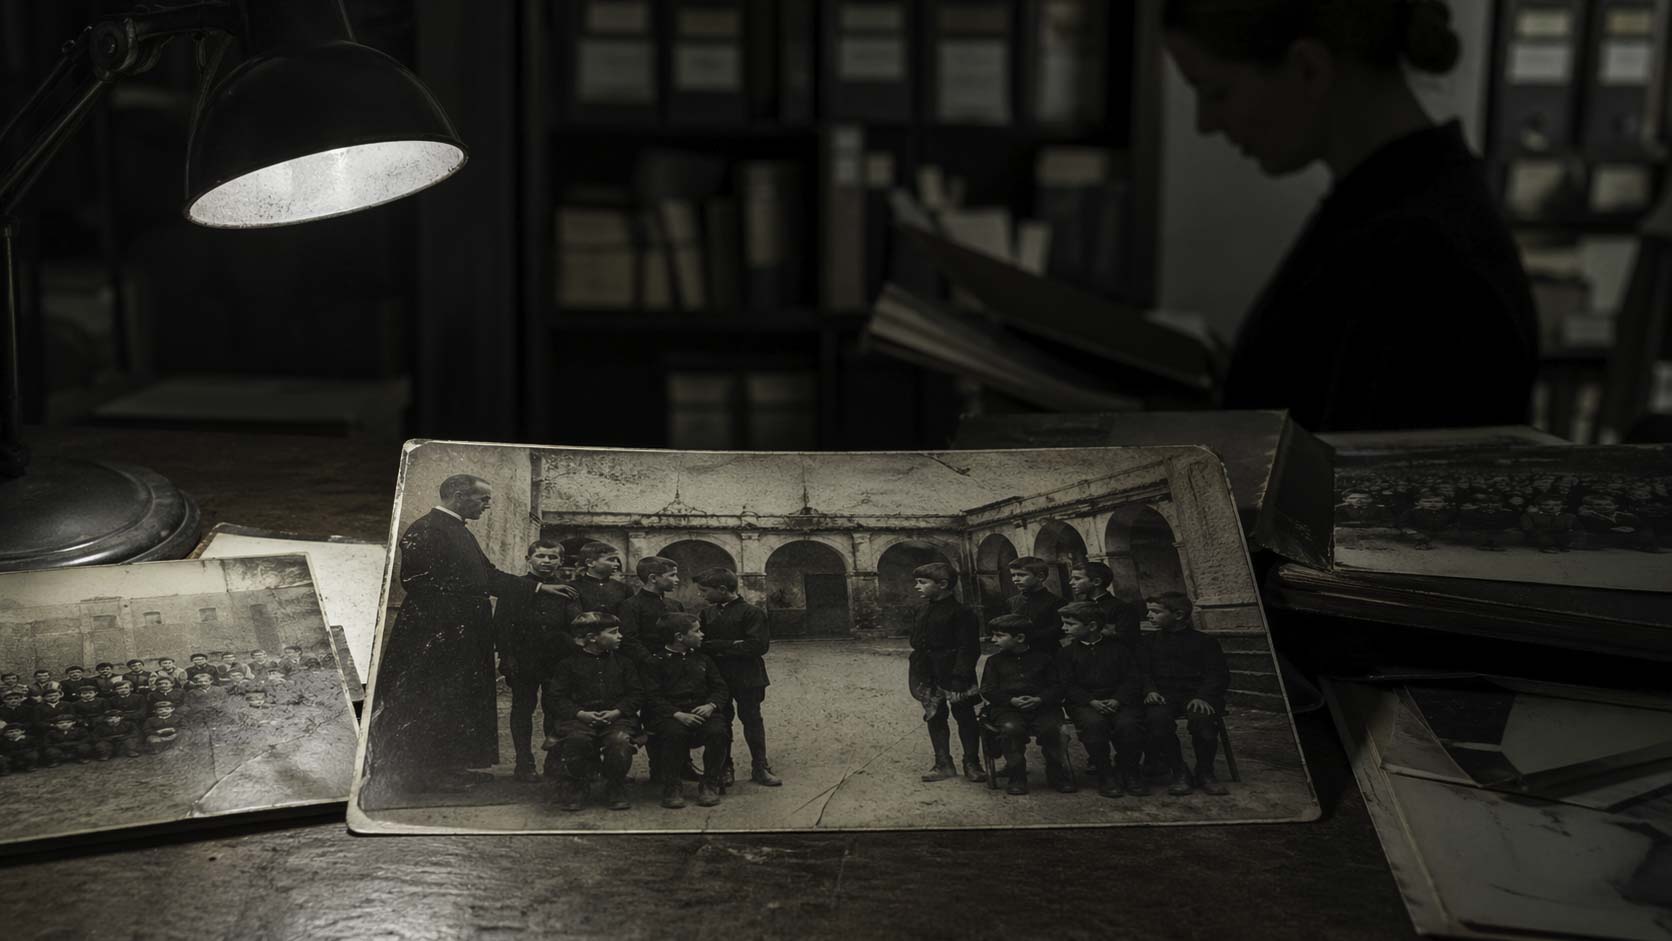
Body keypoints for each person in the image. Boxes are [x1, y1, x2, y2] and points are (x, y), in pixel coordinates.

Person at [1164, 0, 1538, 432]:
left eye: (1216, 93)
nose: (1205, 123)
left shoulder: (1419, 254)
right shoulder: (1389, 206)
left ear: (1309, 69)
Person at [362, 473, 577, 801]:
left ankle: (450, 765)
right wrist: (463, 609)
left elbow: (487, 575)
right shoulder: (427, 529)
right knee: (434, 698)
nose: (488, 505)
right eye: (483, 499)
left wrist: (537, 587)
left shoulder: (458, 530)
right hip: (435, 633)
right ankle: (429, 773)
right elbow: (417, 582)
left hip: (461, 631)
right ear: (460, 496)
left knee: (458, 699)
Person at [494, 538, 583, 783]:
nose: (546, 562)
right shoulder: (515, 587)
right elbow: (502, 625)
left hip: (558, 661)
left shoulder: (568, 591)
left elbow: (577, 625)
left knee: (555, 710)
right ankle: (524, 762)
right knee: (523, 709)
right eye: (541, 556)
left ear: (561, 561)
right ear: (528, 559)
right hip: (524, 660)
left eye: (552, 557)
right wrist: (506, 656)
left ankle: (554, 760)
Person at [694, 567, 782, 788]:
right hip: (718, 679)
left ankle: (760, 767)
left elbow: (757, 646)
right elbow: (701, 644)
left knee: (752, 720)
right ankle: (725, 766)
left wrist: (718, 646)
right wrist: (734, 644)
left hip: (748, 677)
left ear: (722, 589)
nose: (701, 595)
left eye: (704, 591)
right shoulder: (707, 614)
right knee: (721, 722)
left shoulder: (752, 612)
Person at [546, 613, 642, 812]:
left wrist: (617, 711)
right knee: (576, 741)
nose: (620, 636)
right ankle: (577, 785)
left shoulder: (624, 663)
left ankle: (615, 785)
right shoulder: (567, 665)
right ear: (591, 638)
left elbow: (636, 694)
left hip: (616, 719)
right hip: (578, 720)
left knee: (620, 741)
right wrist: (579, 713)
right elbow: (556, 697)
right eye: (613, 633)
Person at [1141, 592, 1231, 796]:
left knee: (1204, 725)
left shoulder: (1205, 641)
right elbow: (1142, 672)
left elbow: (1218, 674)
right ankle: (1179, 771)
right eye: (1148, 611)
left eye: (1155, 612)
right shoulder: (1148, 642)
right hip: (1164, 696)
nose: (1148, 616)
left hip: (1198, 695)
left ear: (1179, 615)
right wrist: (1150, 690)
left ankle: (1205, 772)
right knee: (1157, 722)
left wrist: (1204, 696)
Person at [1056, 602, 1148, 798]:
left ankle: (1129, 771)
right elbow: (1067, 684)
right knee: (1094, 724)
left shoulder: (1119, 649)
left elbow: (1132, 678)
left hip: (1119, 701)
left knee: (1129, 724)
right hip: (1084, 703)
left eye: (1069, 624)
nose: (1064, 628)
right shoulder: (1066, 653)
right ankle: (1105, 774)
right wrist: (1090, 701)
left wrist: (1118, 699)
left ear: (1091, 626)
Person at [641, 613, 729, 809]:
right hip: (670, 715)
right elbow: (652, 696)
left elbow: (720, 687)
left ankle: (709, 783)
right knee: (674, 733)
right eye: (697, 631)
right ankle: (672, 786)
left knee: (718, 732)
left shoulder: (704, 659)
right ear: (679, 637)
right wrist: (677, 714)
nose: (702, 634)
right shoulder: (654, 662)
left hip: (703, 712)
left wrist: (711, 705)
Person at [908, 562, 984, 784]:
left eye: (922, 582)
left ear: (942, 584)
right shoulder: (921, 610)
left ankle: (972, 763)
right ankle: (943, 763)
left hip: (954, 673)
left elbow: (969, 648)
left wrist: (960, 678)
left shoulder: (962, 613)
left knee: (965, 716)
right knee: (935, 716)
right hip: (927, 673)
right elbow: (916, 641)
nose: (917, 587)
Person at [979, 615, 1071, 796]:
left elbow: (1057, 686)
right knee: (1010, 729)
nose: (993, 640)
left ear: (1020, 638)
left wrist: (1040, 699)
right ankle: (1017, 776)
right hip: (1007, 709)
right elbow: (988, 689)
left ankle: (1056, 773)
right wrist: (1010, 700)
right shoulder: (994, 662)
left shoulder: (1044, 659)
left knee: (1052, 728)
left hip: (1042, 707)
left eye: (999, 635)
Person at [617, 556, 684, 665]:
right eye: (672, 575)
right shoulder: (631, 605)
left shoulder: (675, 605)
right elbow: (629, 640)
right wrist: (651, 660)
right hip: (648, 666)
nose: (677, 580)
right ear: (653, 578)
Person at [1067, 562, 1144, 649]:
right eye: (1072, 578)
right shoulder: (1077, 606)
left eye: (1077, 578)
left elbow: (1129, 640)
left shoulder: (1122, 608)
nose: (1071, 582)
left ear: (1097, 582)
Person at [1006, 557, 1067, 650]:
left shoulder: (1056, 602)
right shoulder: (1011, 602)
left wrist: (1030, 636)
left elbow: (1060, 630)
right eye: (1013, 575)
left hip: (1047, 652)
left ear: (1040, 577)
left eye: (1021, 575)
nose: (1015, 579)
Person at [571, 542, 631, 614]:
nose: (617, 564)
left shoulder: (624, 589)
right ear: (590, 563)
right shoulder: (573, 588)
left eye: (617, 560)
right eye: (611, 560)